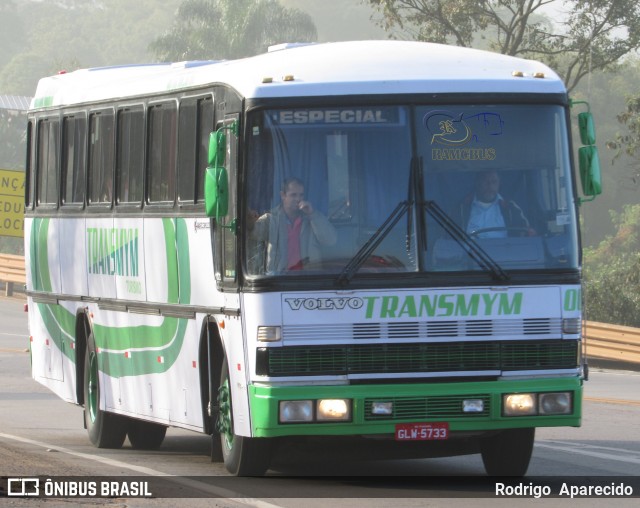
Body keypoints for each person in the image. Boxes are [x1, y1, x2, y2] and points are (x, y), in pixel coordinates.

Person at [248, 177, 337, 273]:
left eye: (301, 195)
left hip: (310, 279)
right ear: (283, 195)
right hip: (280, 280)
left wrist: (312, 214)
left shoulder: (312, 218)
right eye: (293, 195)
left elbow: (330, 240)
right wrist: (248, 217)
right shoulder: (271, 219)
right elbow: (252, 232)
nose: (298, 199)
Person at [460, 170, 531, 238]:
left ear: (499, 184)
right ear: (477, 183)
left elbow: (526, 232)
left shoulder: (510, 207)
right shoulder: (462, 208)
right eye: (485, 181)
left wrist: (530, 233)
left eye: (494, 182)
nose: (490, 185)